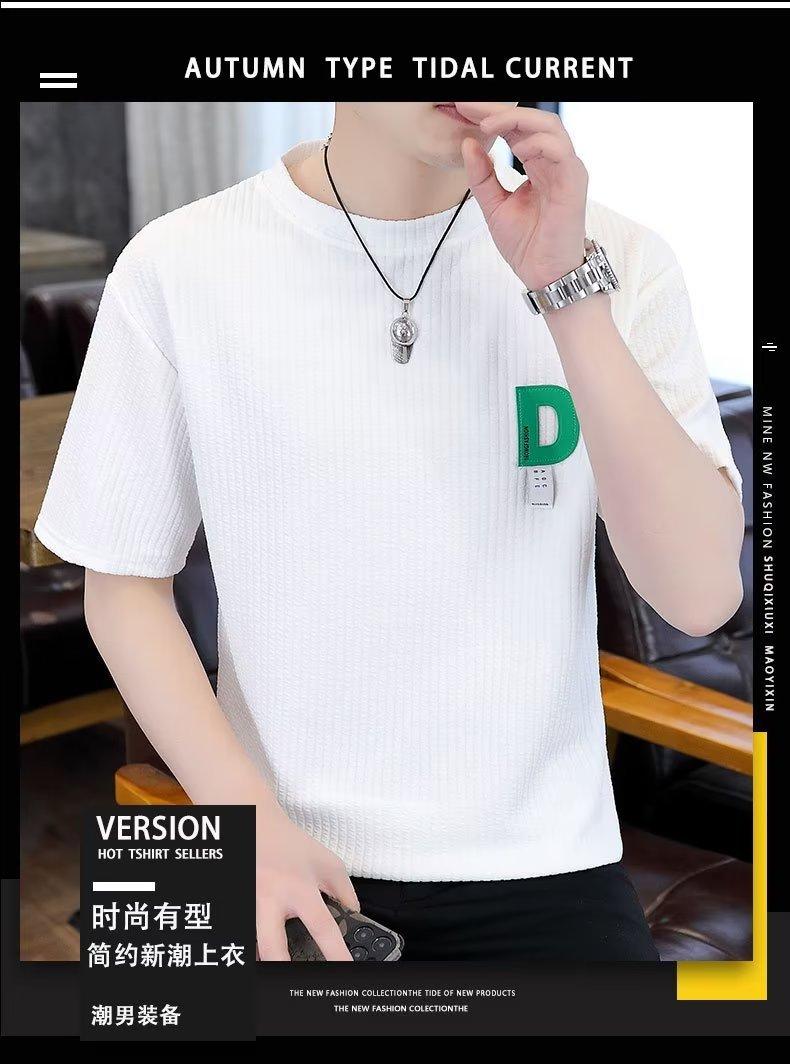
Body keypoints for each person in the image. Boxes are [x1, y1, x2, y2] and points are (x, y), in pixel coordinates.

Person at [35, 102, 744, 962]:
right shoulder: (179, 263)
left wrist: (566, 293)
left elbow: (699, 597)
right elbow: (122, 587)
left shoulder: (617, 259)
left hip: (546, 868)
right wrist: (243, 823)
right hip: (267, 843)